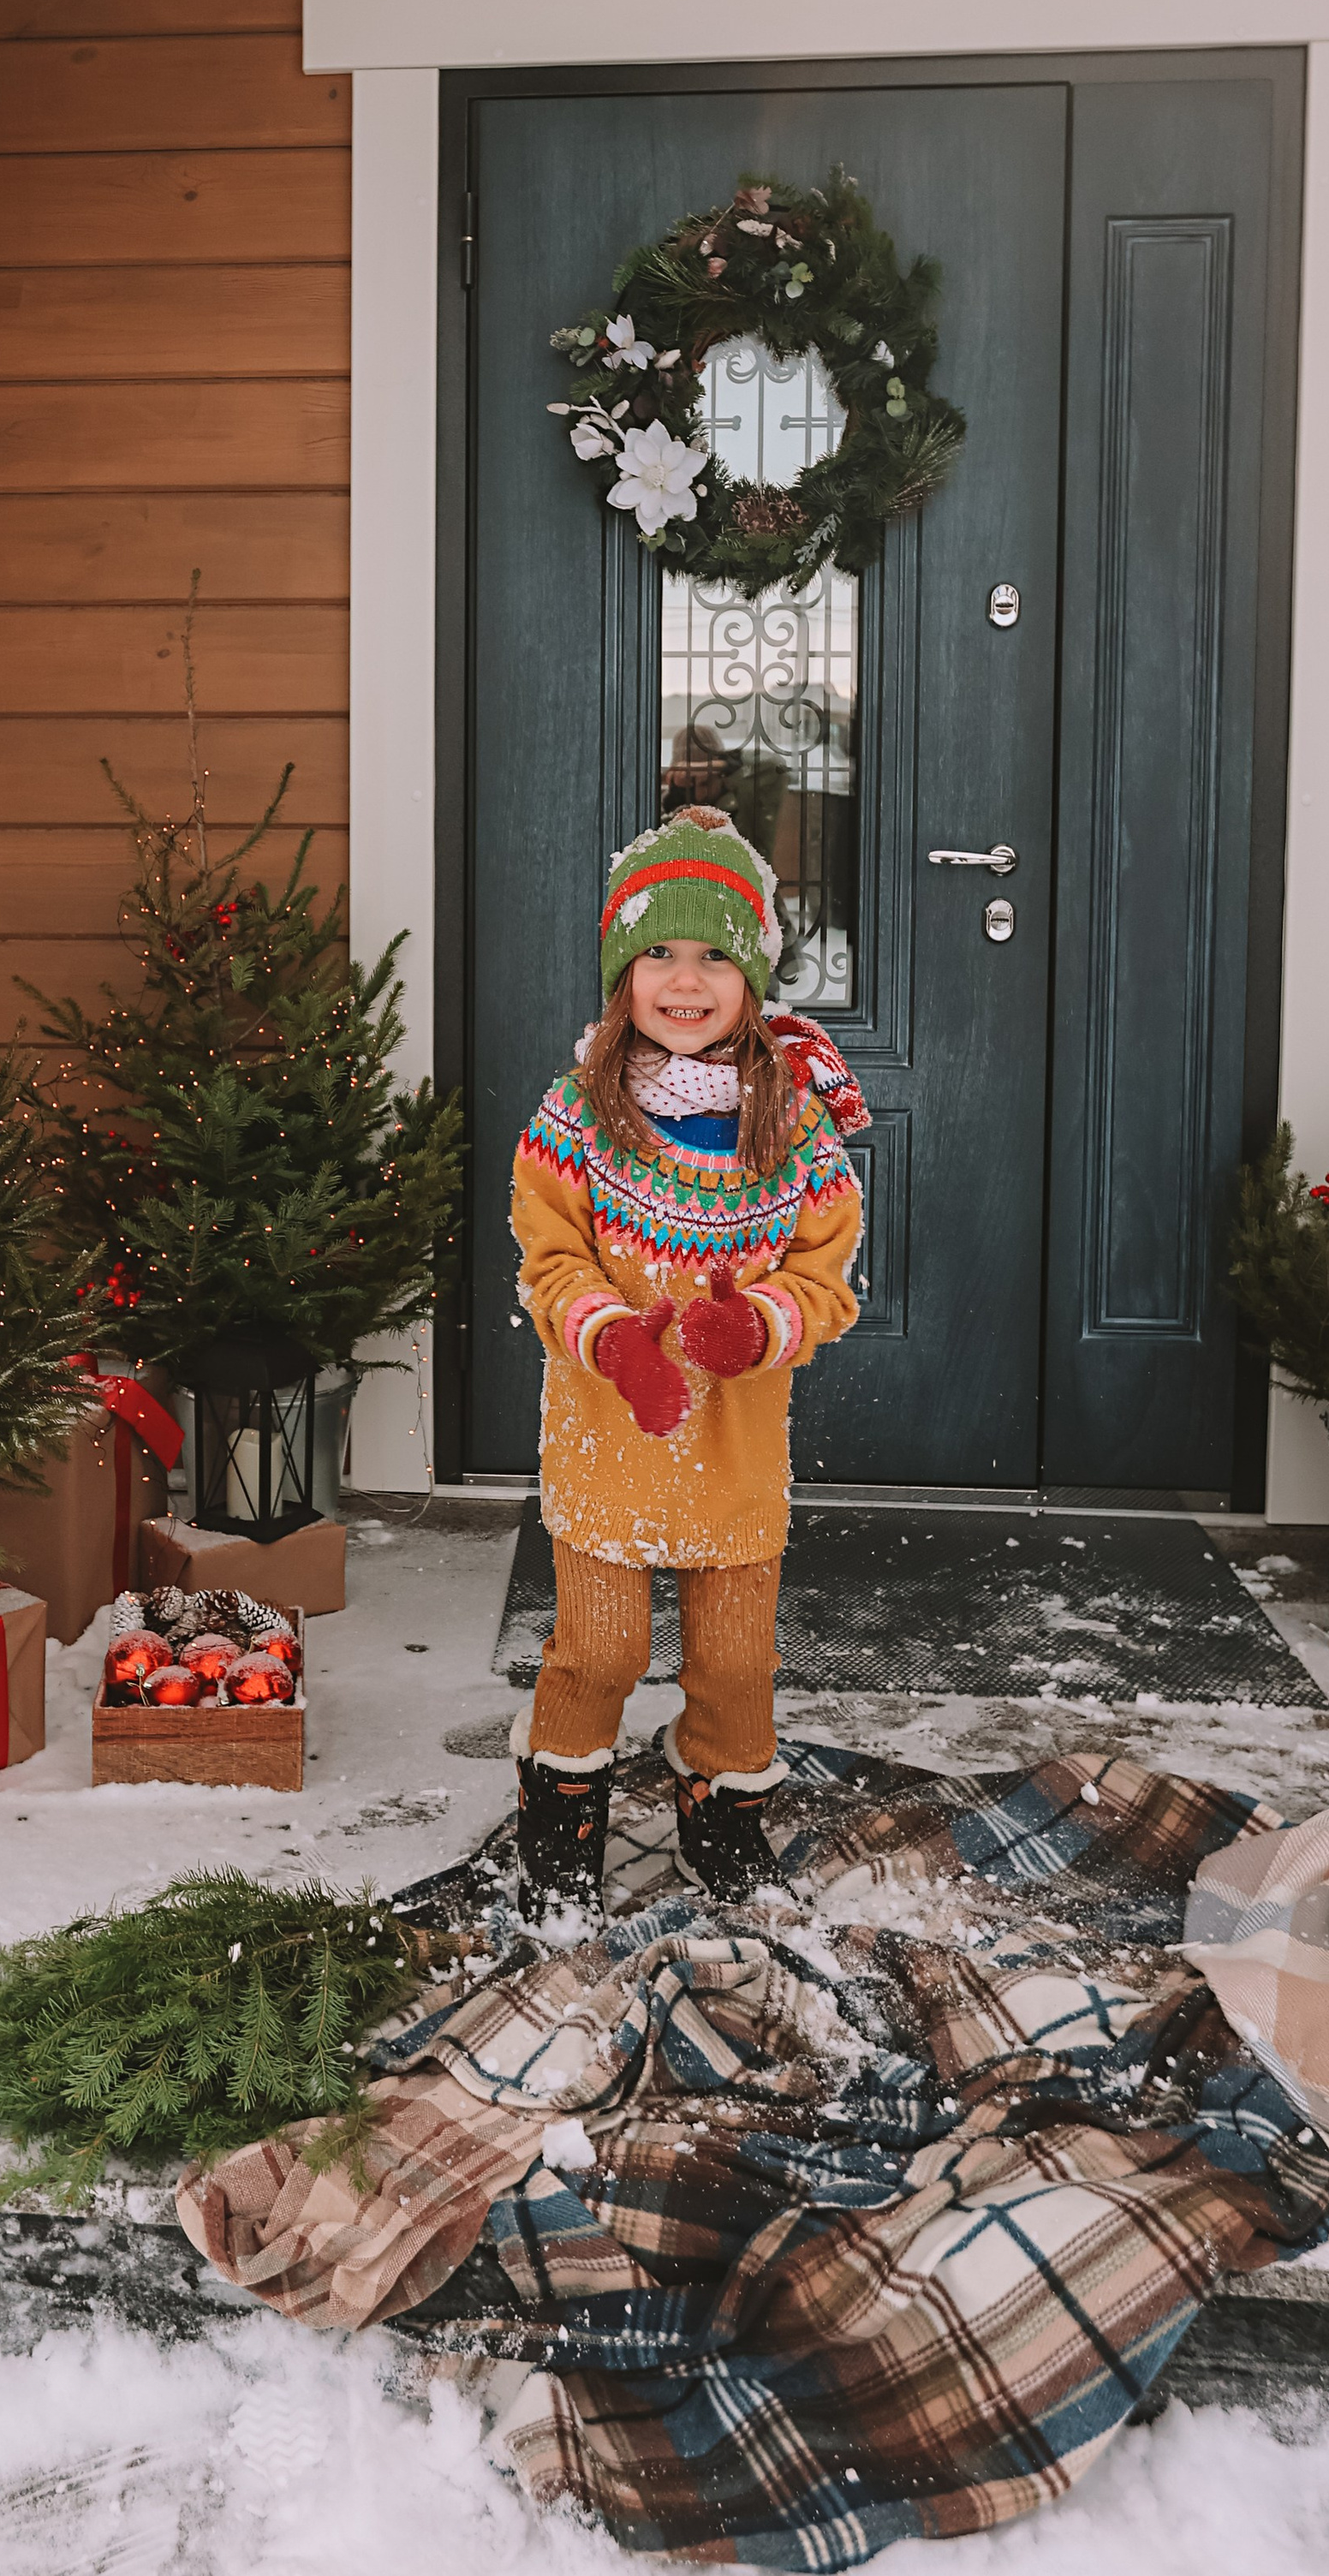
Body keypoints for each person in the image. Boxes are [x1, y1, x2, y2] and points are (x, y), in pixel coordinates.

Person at [508, 806, 867, 1919]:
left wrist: (755, 1325)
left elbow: (829, 1278)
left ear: (754, 978)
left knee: (735, 1665)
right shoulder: (576, 1117)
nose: (684, 977)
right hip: (608, 1434)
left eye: (716, 953)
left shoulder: (795, 1129)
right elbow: (548, 1257)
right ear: (622, 970)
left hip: (736, 1448)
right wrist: (613, 1337)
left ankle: (721, 1804)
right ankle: (562, 1804)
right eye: (658, 949)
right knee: (601, 1649)